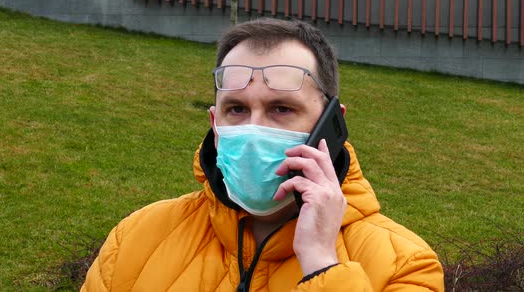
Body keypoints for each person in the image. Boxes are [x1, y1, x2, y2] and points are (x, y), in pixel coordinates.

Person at [81, 18, 444, 291]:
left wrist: (321, 263)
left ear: (332, 124)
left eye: (282, 109)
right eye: (236, 109)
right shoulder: (135, 238)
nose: (253, 130)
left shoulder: (405, 265)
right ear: (215, 124)